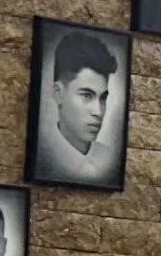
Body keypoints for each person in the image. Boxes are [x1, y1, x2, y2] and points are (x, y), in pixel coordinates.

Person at [38, 29, 122, 185]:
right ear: (58, 93)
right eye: (86, 96)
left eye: (103, 98)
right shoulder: (44, 155)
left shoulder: (111, 161)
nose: (98, 112)